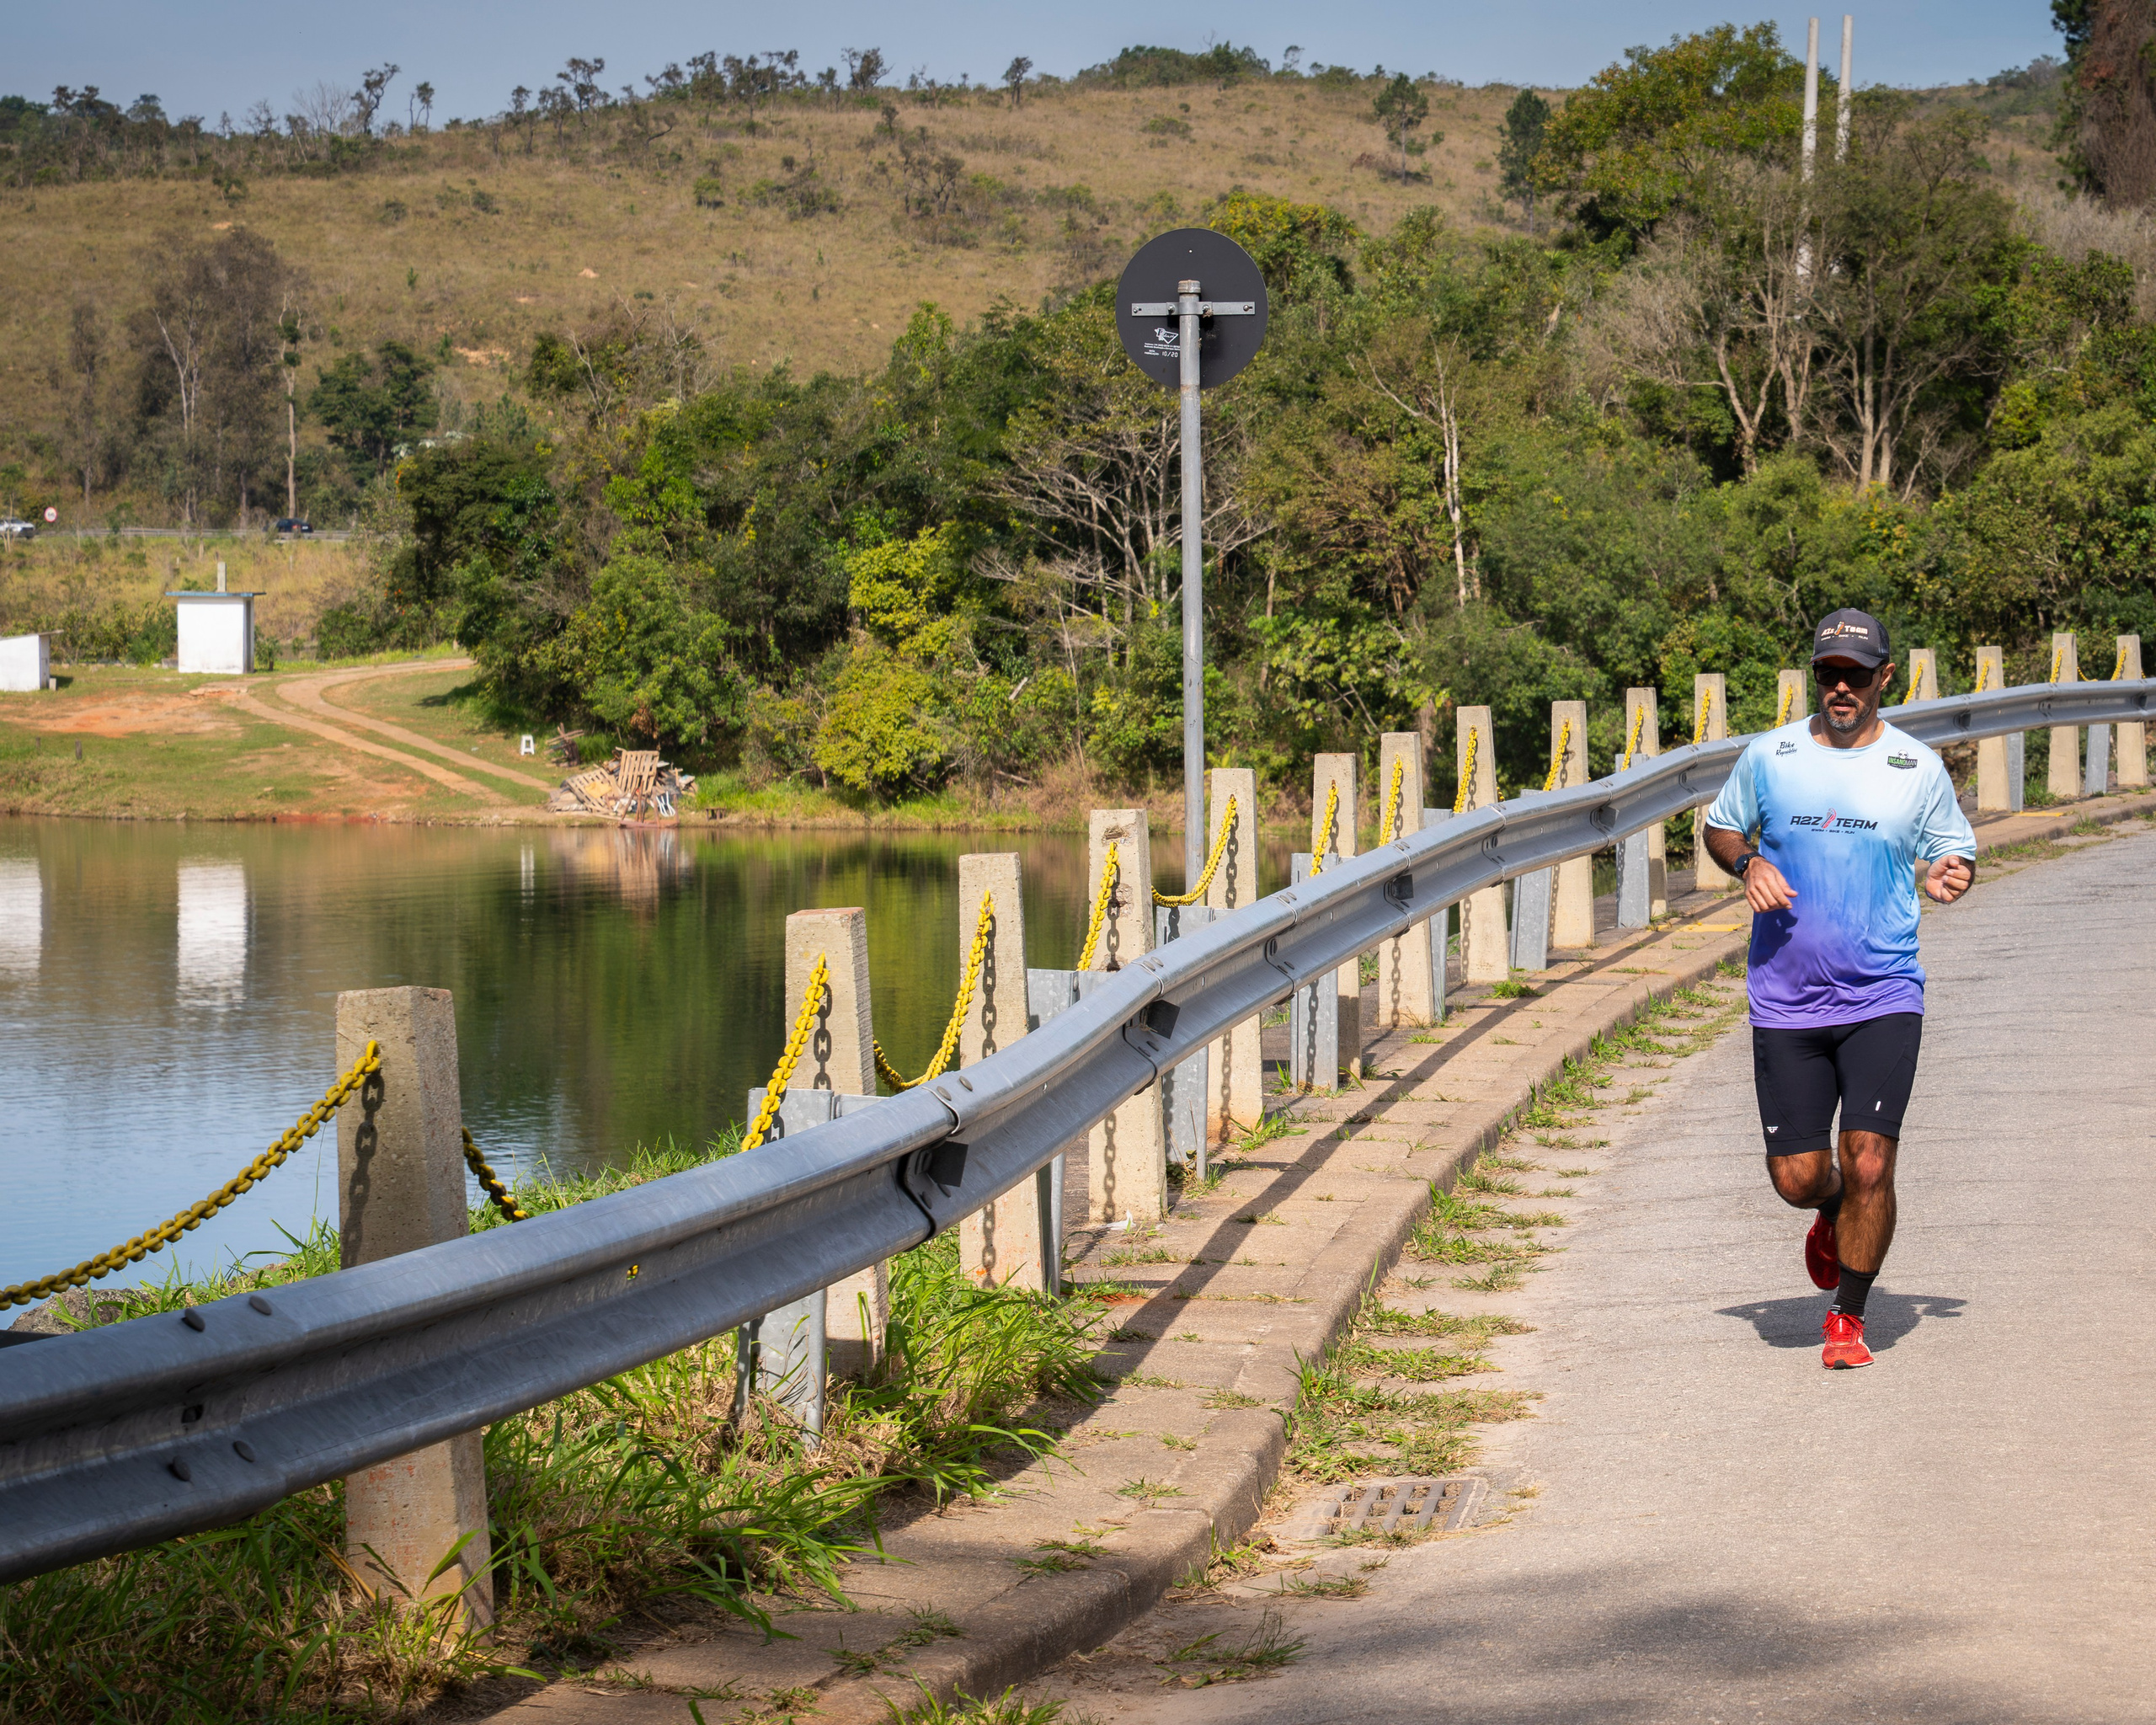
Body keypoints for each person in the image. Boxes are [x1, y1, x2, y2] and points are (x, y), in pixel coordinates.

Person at [1701, 609, 1977, 1370]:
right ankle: (1829, 1212)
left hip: (1884, 991)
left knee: (1869, 1162)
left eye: (1858, 674)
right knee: (1797, 1177)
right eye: (1830, 673)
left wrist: (1953, 871)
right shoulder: (1773, 756)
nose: (1843, 686)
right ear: (1815, 675)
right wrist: (1747, 863)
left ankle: (1847, 1318)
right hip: (1786, 995)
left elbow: (1952, 848)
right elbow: (1721, 827)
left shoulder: (1915, 768)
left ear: (1886, 677)